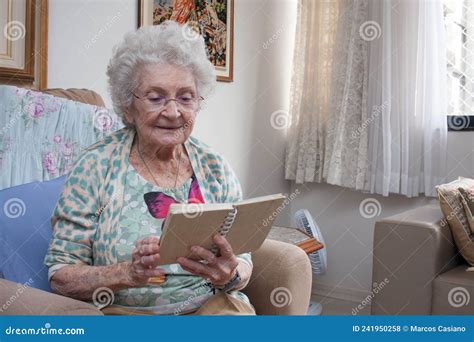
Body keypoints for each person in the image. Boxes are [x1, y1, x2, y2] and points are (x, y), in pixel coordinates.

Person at [44, 21, 254, 315]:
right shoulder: (95, 166)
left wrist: (230, 274)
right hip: (128, 314)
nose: (172, 111)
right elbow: (61, 275)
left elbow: (243, 259)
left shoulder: (215, 167)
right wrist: (127, 272)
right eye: (156, 98)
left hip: (211, 308)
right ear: (128, 106)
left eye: (185, 97)